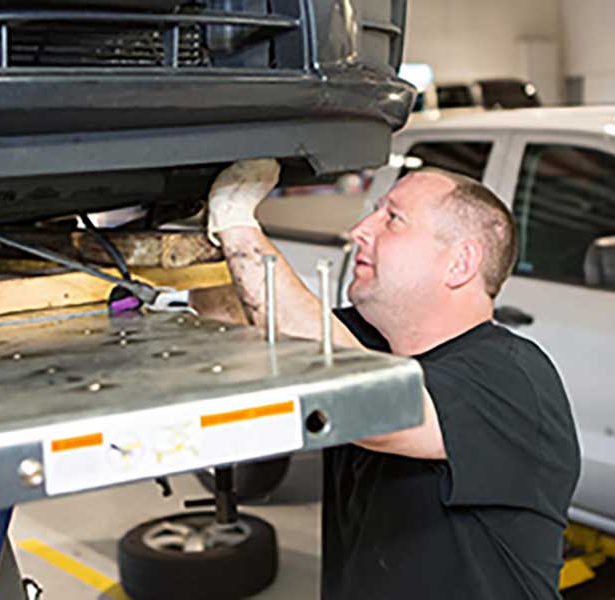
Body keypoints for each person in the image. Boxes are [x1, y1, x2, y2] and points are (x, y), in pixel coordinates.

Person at [205, 160, 581, 599]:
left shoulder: (512, 377)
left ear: (460, 263)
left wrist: (235, 219)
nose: (359, 230)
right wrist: (200, 236)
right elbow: (235, 322)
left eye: (393, 219)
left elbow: (359, 397)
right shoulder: (368, 342)